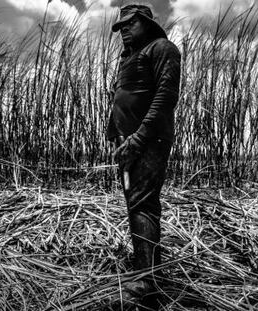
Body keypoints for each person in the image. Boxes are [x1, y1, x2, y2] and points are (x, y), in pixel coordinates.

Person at [107, 3, 181, 310]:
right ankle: (150, 270)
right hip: (128, 143)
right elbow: (121, 97)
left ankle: (146, 282)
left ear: (147, 23)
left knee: (142, 205)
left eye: (130, 23)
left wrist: (138, 137)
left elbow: (166, 96)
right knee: (136, 204)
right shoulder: (128, 57)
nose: (123, 28)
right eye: (120, 25)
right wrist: (115, 132)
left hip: (149, 140)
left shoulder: (162, 48)